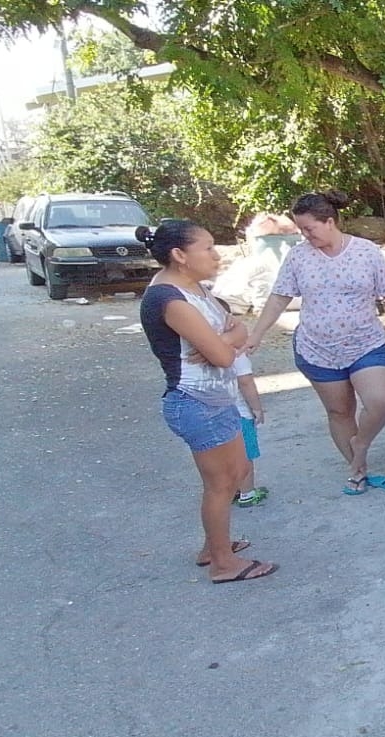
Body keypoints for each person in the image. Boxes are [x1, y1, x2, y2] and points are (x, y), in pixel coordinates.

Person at [244, 190, 385, 496]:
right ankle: (357, 468)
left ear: (329, 221)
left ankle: (360, 443)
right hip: (316, 349)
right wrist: (256, 334)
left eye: (309, 228)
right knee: (340, 412)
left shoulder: (366, 252)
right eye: (301, 229)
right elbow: (280, 297)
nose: (305, 235)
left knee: (380, 400)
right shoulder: (298, 256)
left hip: (365, 344)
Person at [137, 220, 276, 584]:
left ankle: (214, 546)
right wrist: (226, 340)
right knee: (222, 482)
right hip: (195, 401)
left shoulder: (195, 288)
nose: (217, 255)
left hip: (215, 398)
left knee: (234, 474)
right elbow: (224, 356)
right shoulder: (169, 299)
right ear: (179, 255)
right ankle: (222, 563)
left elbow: (239, 328)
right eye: (208, 248)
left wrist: (228, 336)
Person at [230, 354, 269, 508]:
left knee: (223, 457)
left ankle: (230, 490)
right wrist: (257, 408)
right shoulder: (237, 355)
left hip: (212, 414)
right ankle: (247, 493)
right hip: (238, 413)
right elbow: (245, 383)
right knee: (244, 454)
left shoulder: (204, 351)